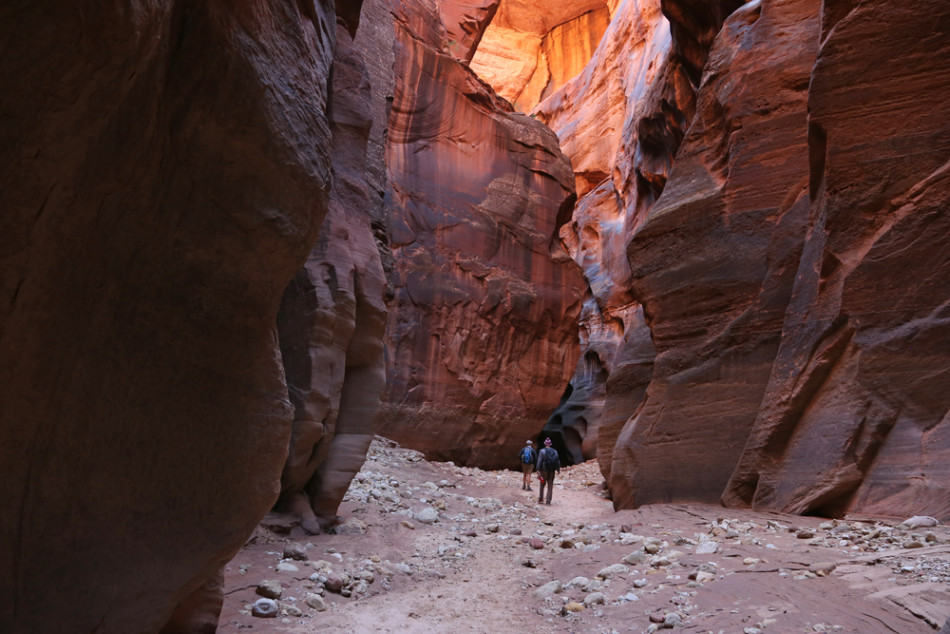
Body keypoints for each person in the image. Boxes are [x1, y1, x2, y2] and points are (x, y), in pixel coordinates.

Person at [535, 437, 560, 505]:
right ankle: (548, 501)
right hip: (552, 471)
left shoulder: (542, 451)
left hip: (544, 470)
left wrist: (537, 469)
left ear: (544, 444)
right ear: (550, 444)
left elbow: (539, 461)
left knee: (542, 484)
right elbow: (557, 461)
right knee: (550, 485)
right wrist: (558, 470)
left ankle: (541, 499)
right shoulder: (555, 451)